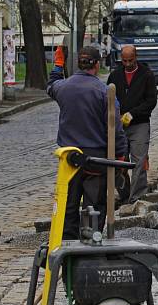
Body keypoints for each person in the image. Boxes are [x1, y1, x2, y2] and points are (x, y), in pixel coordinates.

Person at [47, 46, 128, 240]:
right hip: (96, 160)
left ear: (77, 64)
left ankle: (67, 251)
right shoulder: (104, 92)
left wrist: (58, 65)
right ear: (97, 64)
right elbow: (114, 127)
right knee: (94, 207)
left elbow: (51, 85)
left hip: (69, 159)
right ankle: (92, 244)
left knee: (69, 206)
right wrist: (120, 155)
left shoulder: (63, 87)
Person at [106, 45, 157, 204]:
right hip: (119, 126)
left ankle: (137, 198)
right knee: (117, 161)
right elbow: (107, 98)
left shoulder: (146, 75)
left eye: (131, 60)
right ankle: (125, 194)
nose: (128, 63)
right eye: (125, 60)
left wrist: (133, 114)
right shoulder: (115, 75)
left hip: (139, 124)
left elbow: (151, 101)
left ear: (136, 57)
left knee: (138, 161)